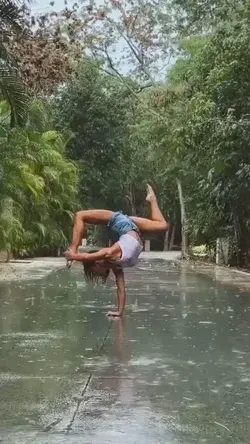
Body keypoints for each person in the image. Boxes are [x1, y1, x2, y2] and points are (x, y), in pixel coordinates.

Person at [65, 184, 168, 317]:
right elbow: (121, 289)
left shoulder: (108, 252)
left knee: (80, 215)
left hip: (120, 222)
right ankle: (152, 199)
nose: (100, 274)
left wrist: (74, 256)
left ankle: (73, 248)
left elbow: (91, 257)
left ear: (96, 263)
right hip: (132, 226)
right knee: (163, 225)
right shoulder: (116, 266)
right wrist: (119, 312)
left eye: (94, 271)